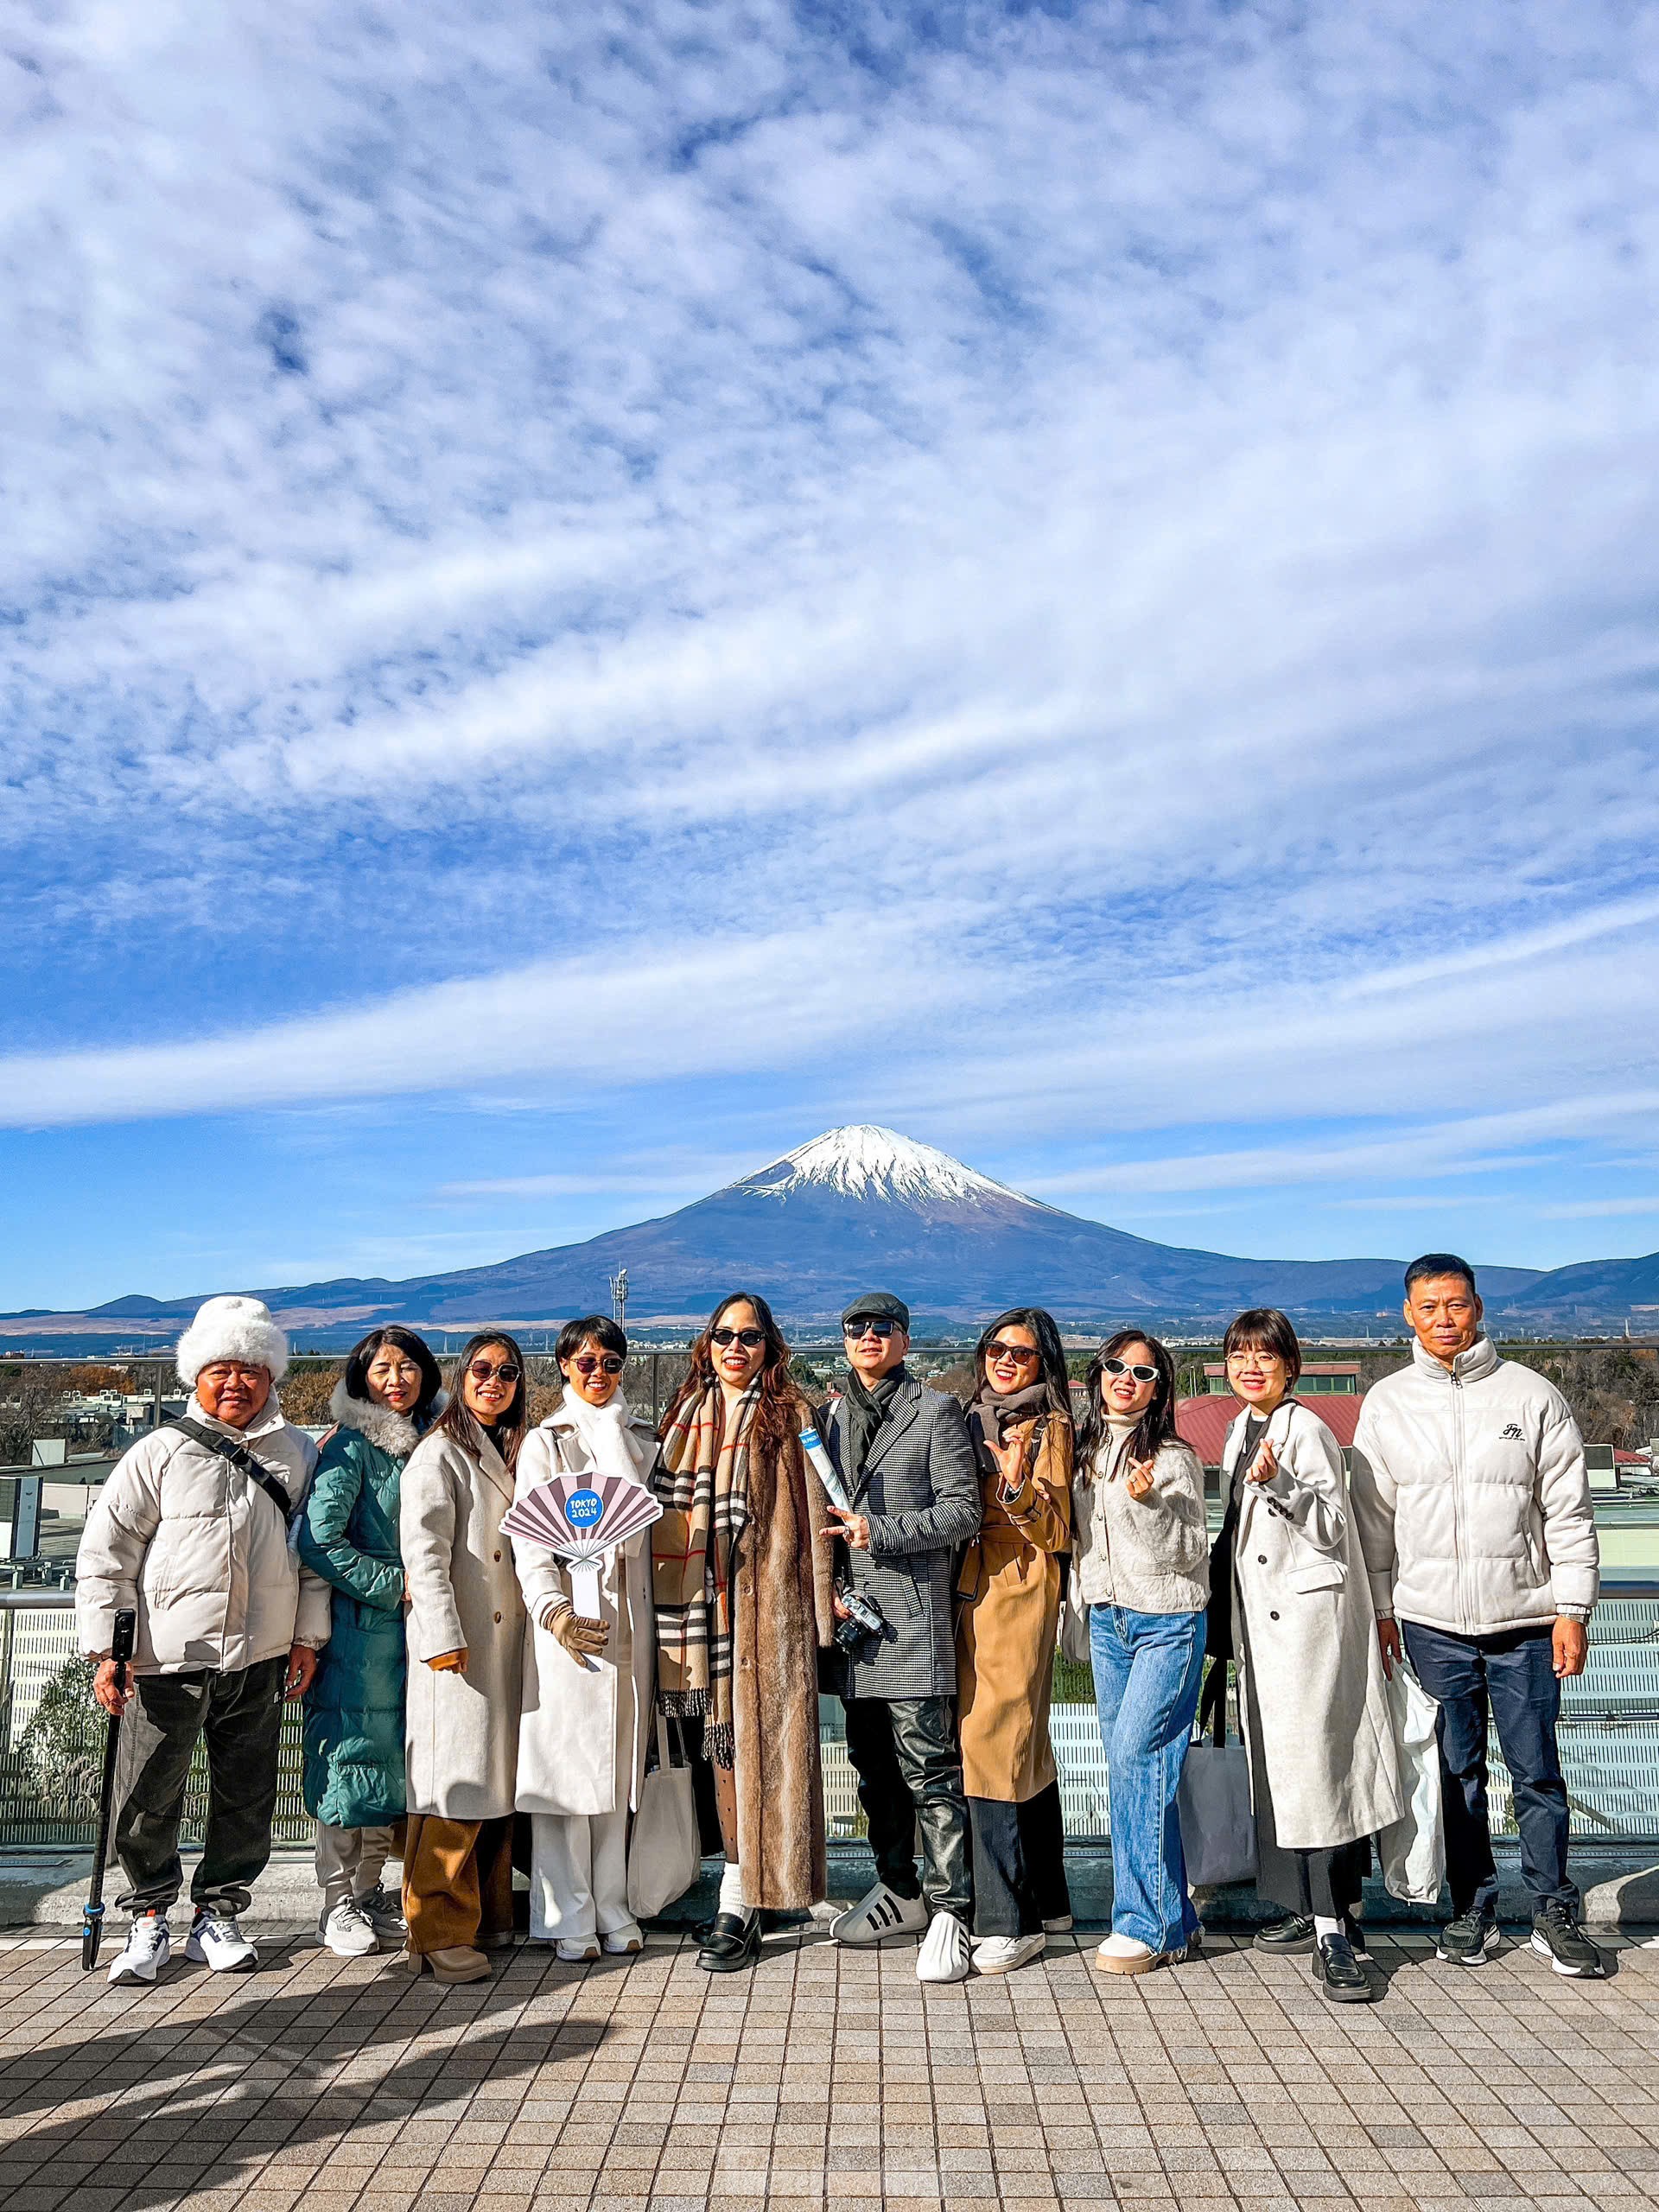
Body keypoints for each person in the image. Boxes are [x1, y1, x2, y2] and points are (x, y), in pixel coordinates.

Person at [1350, 1254, 1605, 1976]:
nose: (1443, 1320)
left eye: (1455, 1305)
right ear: (1407, 1313)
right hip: (1430, 1623)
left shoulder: (1532, 1396)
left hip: (1525, 1621)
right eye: (1428, 1307)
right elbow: (1374, 1520)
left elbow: (1570, 1514)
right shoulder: (1389, 1402)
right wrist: (1381, 1609)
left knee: (1538, 1772)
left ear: (1479, 1307)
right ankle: (1472, 1907)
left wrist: (1573, 1608)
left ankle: (1553, 1907)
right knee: (1455, 1773)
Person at [75, 1296, 330, 1986]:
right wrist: (108, 1649)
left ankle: (219, 1911)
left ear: (273, 1377)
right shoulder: (158, 1451)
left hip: (262, 1654)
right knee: (146, 1792)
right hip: (164, 1658)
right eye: (222, 1368)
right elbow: (107, 1556)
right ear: (197, 1376)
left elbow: (312, 1557)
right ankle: (149, 1913)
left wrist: (306, 1637)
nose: (237, 1383)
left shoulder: (297, 1453)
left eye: (252, 1369)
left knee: (245, 1793)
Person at [1210, 1309, 1402, 2003]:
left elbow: (1331, 1525)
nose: (1249, 1367)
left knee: (1315, 1774)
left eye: (1264, 1356)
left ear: (1292, 1365)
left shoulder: (1307, 1429)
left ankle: (1333, 1931)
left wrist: (1281, 1485)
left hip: (1307, 1631)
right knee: (1291, 1773)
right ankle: (1315, 1911)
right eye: (1238, 1356)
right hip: (1265, 1632)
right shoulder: (1241, 1429)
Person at [652, 1293, 836, 1972]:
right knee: (722, 1753)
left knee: (765, 1753)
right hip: (698, 1618)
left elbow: (822, 1515)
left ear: (770, 1347)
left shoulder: (792, 1417)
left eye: (751, 1336)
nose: (737, 1346)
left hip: (770, 1610)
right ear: (708, 1343)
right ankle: (740, 1887)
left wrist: (818, 1612)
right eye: (725, 1335)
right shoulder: (681, 1418)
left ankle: (751, 1898)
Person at [813, 1291, 982, 1984]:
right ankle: (898, 1886)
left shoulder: (936, 1411)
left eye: (883, 1327)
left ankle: (954, 1909)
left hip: (911, 1617)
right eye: (857, 1327)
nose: (869, 1337)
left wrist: (878, 1532)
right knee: (871, 1765)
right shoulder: (827, 1416)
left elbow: (962, 1512)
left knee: (929, 1768)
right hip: (854, 1624)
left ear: (905, 1340)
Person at [298, 1325, 444, 1959]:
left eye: (409, 1366)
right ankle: (337, 1902)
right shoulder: (350, 1447)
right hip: (362, 1632)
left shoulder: (436, 1443)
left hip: (418, 1630)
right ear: (361, 1377)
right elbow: (319, 1540)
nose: (397, 1379)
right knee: (347, 1760)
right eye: (383, 1368)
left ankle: (373, 1891)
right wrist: (395, 1584)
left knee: (398, 1770)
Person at [515, 1316, 657, 1960]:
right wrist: (553, 1612)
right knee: (567, 1775)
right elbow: (529, 1541)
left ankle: (611, 1902)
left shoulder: (643, 1441)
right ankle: (565, 1913)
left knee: (618, 1771)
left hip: (632, 1622)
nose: (597, 1373)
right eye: (584, 1362)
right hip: (570, 1629)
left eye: (609, 1362)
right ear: (563, 1367)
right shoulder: (547, 1444)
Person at [1071, 1329, 1208, 1975]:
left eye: (1144, 1373)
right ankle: (1175, 1916)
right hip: (1108, 1621)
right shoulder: (1083, 1448)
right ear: (1098, 1373)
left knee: (1137, 1757)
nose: (1128, 1379)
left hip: (1167, 1623)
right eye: (1117, 1367)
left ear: (1160, 1388)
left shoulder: (1174, 1457)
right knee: (1136, 1768)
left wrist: (1148, 1501)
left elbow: (1188, 1554)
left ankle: (1145, 1925)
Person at [399, 1330, 529, 1983]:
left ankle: (485, 1916)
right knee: (456, 1783)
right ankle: (435, 1928)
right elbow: (423, 1555)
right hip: (459, 1649)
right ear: (460, 1375)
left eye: (507, 1372)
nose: (494, 1381)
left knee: (492, 1782)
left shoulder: (504, 1447)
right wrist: (443, 1635)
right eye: (481, 1369)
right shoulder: (440, 1454)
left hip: (500, 1645)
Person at [955, 1307, 1073, 1974]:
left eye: (1022, 1355)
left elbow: (1055, 1530)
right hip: (973, 1587)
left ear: (1042, 1365)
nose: (1006, 1361)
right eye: (997, 1348)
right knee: (1026, 1745)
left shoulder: (1047, 1426)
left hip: (1020, 1586)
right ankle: (1050, 1898)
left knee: (993, 1741)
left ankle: (1009, 1919)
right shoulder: (970, 1414)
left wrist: (1018, 1484)